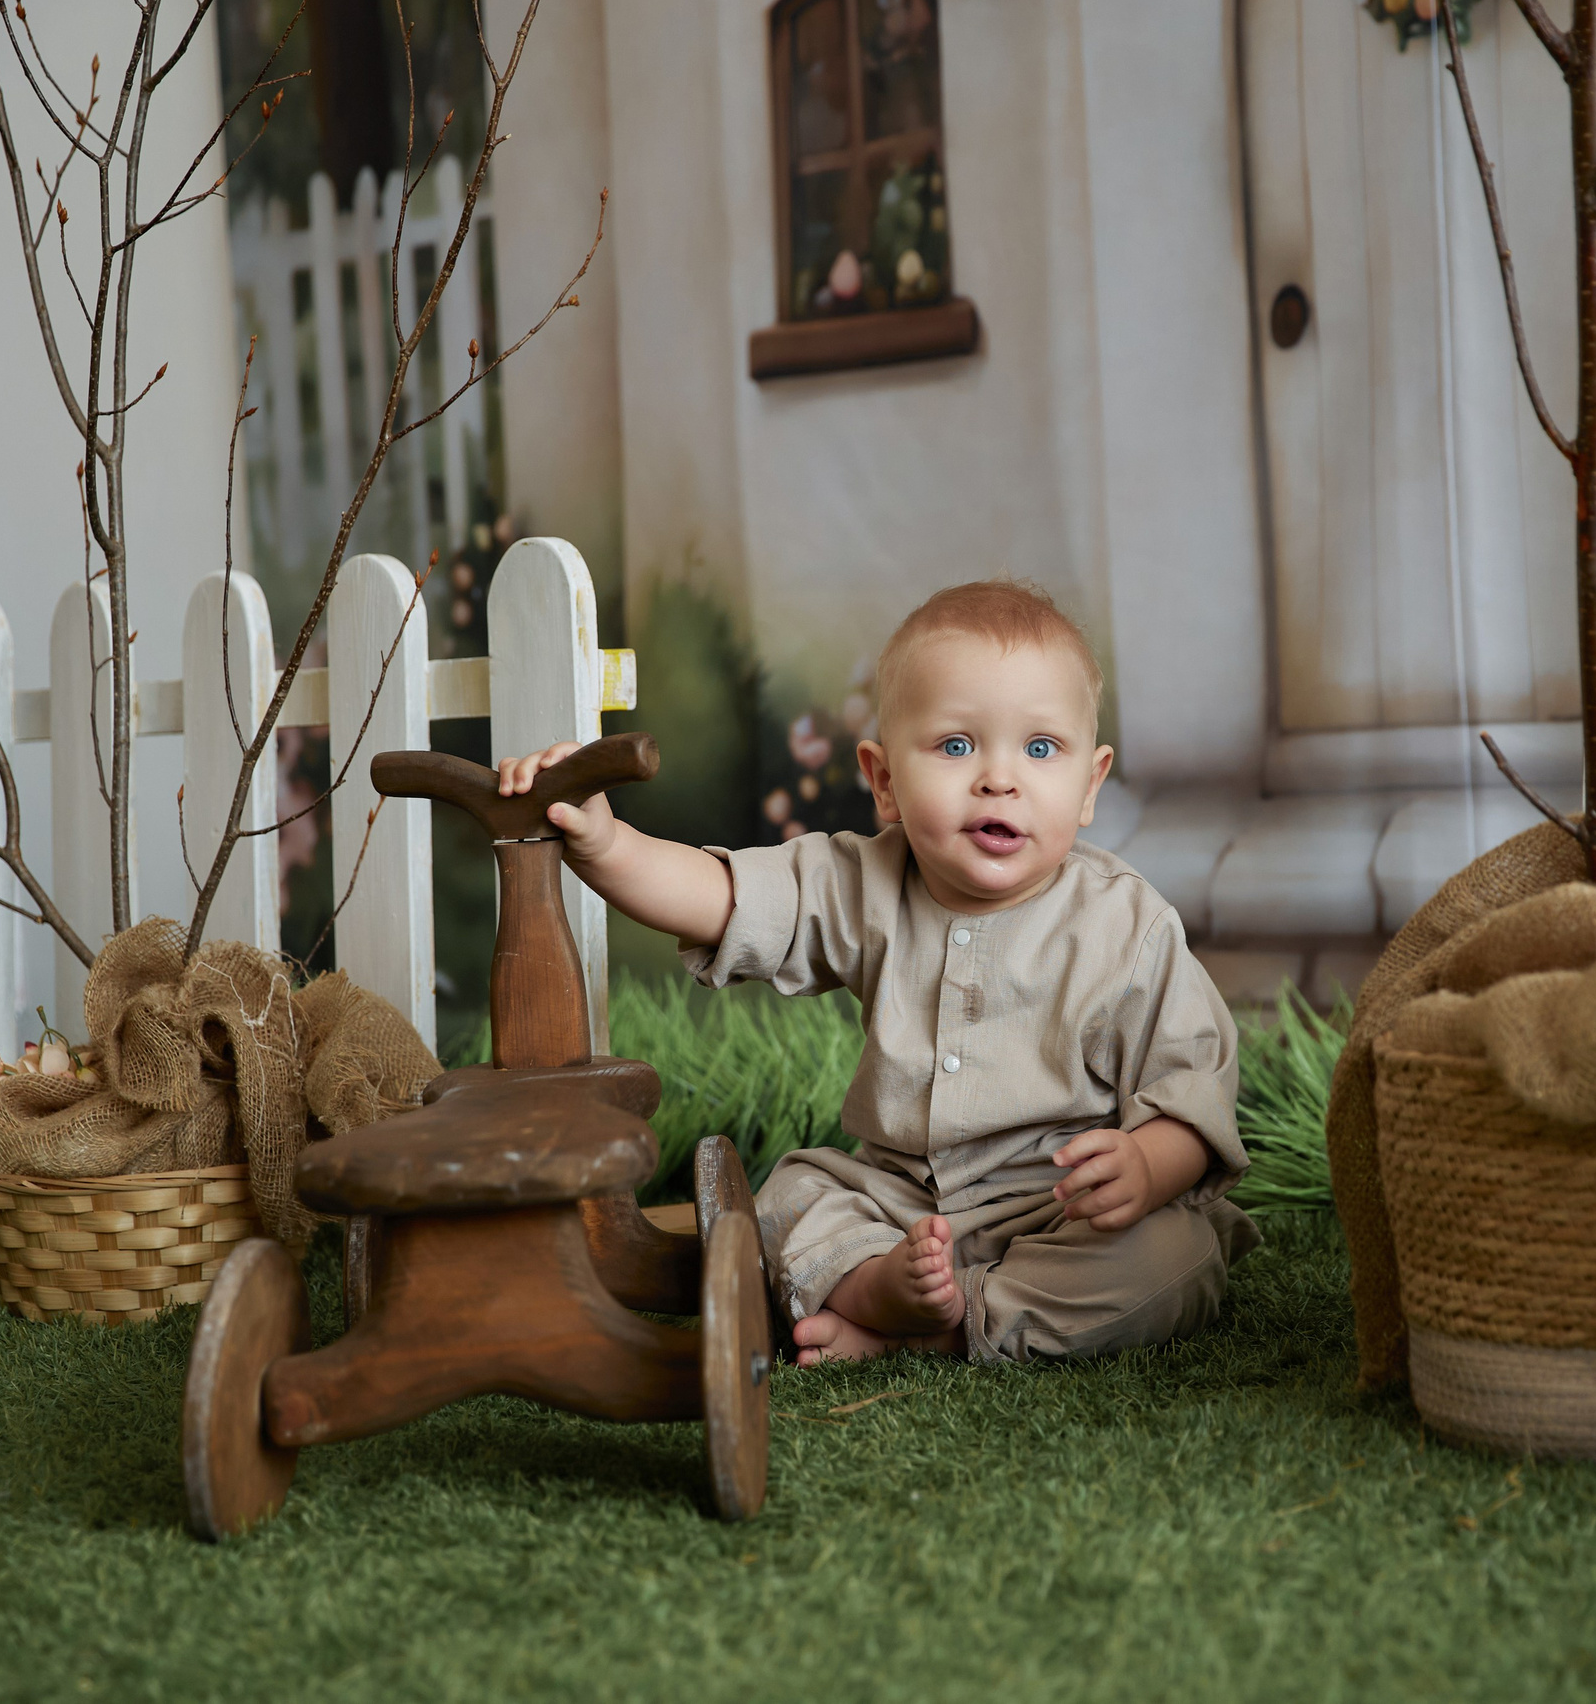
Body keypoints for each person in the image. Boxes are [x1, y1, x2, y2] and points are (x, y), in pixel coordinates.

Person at [495, 580, 1254, 1364]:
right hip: (897, 1202)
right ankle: (872, 1283)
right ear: (885, 779)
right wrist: (606, 841)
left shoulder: (1127, 925)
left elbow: (1192, 1087)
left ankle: (948, 1325)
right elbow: (721, 898)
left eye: (1039, 748)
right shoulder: (864, 882)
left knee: (1175, 1253)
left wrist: (1146, 1163)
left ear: (1091, 785)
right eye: (957, 746)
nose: (999, 778)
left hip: (1057, 1208)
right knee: (790, 1194)